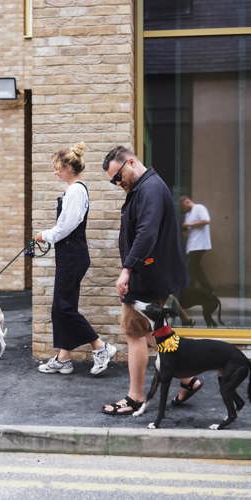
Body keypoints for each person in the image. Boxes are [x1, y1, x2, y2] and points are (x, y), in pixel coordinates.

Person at [102, 146, 203, 414]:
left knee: (134, 332)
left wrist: (127, 269)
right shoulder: (146, 188)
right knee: (155, 332)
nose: (117, 183)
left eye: (117, 176)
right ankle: (188, 379)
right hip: (151, 274)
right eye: (113, 180)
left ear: (131, 163)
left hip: (146, 277)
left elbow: (147, 234)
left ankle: (135, 397)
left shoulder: (149, 189)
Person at [35, 142, 116, 376]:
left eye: (57, 167)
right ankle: (63, 357)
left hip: (72, 255)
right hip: (69, 255)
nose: (55, 171)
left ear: (69, 166)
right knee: (59, 308)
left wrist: (44, 235)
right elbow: (65, 226)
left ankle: (101, 347)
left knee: (64, 307)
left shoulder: (76, 191)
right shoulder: (73, 190)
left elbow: (66, 227)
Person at [180, 195, 213, 293]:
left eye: (183, 206)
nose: (183, 209)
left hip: (200, 244)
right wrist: (184, 229)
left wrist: (189, 224)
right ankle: (208, 289)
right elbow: (187, 230)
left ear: (187, 201)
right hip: (192, 245)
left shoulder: (199, 208)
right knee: (196, 267)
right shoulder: (187, 214)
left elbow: (206, 220)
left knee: (192, 268)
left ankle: (191, 289)